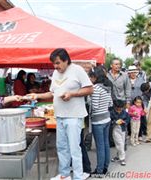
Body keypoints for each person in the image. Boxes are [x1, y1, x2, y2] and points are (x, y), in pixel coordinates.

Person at [29, 48, 93, 180]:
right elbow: (51, 93)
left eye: (58, 63)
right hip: (60, 115)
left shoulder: (77, 70)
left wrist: (72, 94)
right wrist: (37, 95)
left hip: (74, 116)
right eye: (54, 64)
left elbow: (90, 89)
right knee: (62, 147)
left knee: (75, 148)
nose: (56, 66)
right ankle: (64, 175)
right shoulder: (56, 73)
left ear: (66, 60)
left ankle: (78, 176)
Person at [88, 66, 113, 177]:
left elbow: (95, 106)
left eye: (90, 77)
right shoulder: (107, 87)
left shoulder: (96, 89)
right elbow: (110, 104)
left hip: (98, 121)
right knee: (106, 144)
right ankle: (105, 167)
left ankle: (99, 170)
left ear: (94, 77)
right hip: (107, 119)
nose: (89, 79)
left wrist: (89, 100)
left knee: (100, 146)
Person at [127, 65, 147, 140]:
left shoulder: (141, 80)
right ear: (129, 73)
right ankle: (130, 133)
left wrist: (144, 105)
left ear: (136, 72)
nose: (133, 74)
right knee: (129, 117)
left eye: (134, 72)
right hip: (129, 102)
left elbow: (144, 93)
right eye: (131, 72)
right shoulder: (126, 80)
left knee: (140, 118)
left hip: (139, 102)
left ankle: (139, 134)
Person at [110, 100, 130, 166]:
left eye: (121, 107)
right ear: (115, 107)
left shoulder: (125, 112)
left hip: (123, 129)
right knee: (120, 143)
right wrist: (115, 122)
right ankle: (122, 158)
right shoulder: (112, 113)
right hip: (115, 129)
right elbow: (110, 121)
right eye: (118, 108)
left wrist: (124, 122)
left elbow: (128, 119)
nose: (119, 109)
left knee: (122, 143)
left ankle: (118, 156)